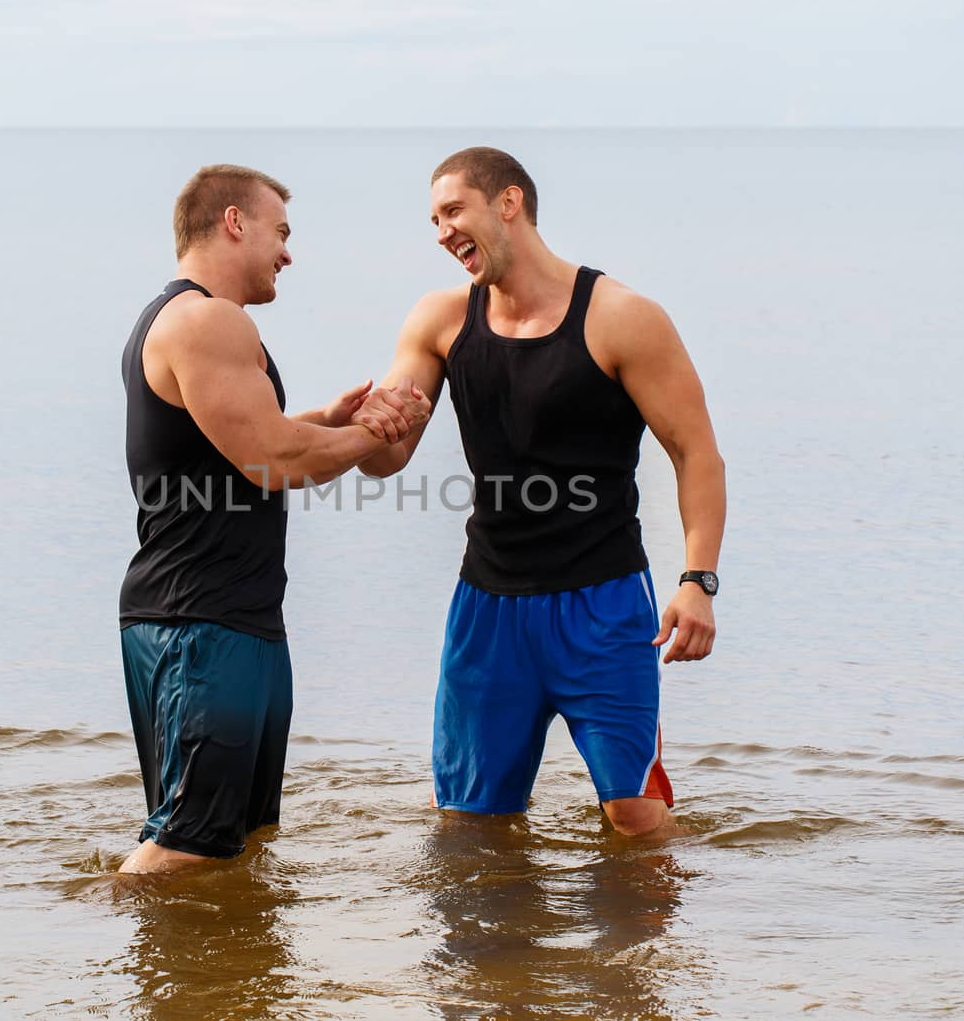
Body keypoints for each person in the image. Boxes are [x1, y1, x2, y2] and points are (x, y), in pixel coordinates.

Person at [359, 147, 726, 838]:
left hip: (605, 603)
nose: (441, 232)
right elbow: (389, 458)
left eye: (452, 211)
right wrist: (364, 429)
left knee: (637, 819)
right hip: (487, 610)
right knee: (470, 827)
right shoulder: (439, 321)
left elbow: (695, 451)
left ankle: (656, 949)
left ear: (509, 203)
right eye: (433, 220)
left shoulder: (622, 317)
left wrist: (697, 579)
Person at [117, 164, 428, 874]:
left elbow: (242, 442)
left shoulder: (189, 322)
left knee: (237, 844)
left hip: (221, 618)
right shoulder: (205, 319)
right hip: (199, 624)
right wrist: (379, 431)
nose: (287, 252)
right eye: (280, 232)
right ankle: (85, 950)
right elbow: (275, 461)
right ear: (234, 222)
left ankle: (213, 986)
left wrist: (330, 420)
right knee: (189, 846)